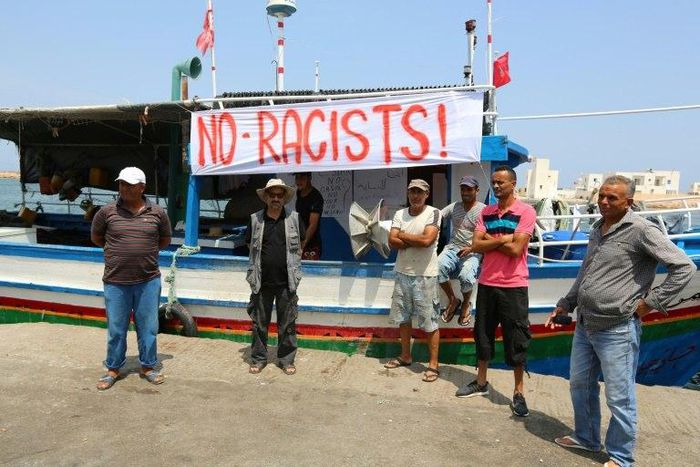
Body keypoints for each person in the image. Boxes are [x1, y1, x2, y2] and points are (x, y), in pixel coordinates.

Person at [546, 175, 695, 467]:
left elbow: (684, 267)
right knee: (580, 384)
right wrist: (566, 302)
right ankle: (587, 437)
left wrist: (649, 304)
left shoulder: (641, 230)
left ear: (629, 202)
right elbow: (586, 273)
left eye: (612, 198)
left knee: (620, 396)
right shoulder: (597, 229)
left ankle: (621, 457)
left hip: (617, 329)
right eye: (601, 195)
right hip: (585, 324)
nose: (603, 202)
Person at [455, 165, 536, 418]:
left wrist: (491, 242)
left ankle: (519, 392)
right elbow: (476, 244)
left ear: (513, 184)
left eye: (502, 182)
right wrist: (503, 239)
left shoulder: (526, 211)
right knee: (483, 333)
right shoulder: (486, 211)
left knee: (517, 338)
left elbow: (516, 251)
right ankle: (480, 382)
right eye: (494, 182)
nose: (497, 186)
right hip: (488, 283)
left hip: (514, 285)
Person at [91, 167, 172, 390]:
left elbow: (164, 239)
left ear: (142, 187)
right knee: (116, 328)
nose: (124, 188)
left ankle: (148, 366)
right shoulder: (106, 212)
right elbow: (97, 237)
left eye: (129, 184)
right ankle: (113, 368)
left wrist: (142, 251)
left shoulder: (157, 213)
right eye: (121, 184)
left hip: (148, 280)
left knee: (149, 327)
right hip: (116, 281)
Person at [384, 179, 442, 383]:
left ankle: (433, 365)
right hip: (402, 272)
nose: (415, 195)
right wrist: (413, 240)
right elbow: (391, 241)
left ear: (427, 194)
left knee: (429, 321)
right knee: (404, 318)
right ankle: (406, 356)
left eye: (419, 192)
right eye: (412, 192)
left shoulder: (434, 213)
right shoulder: (400, 214)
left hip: (425, 275)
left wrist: (403, 236)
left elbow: (428, 241)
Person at [245, 178, 305, 375]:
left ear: (284, 198)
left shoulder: (294, 218)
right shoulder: (255, 219)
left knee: (287, 325)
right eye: (273, 195)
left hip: (287, 282)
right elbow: (250, 247)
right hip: (261, 282)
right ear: (266, 197)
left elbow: (300, 246)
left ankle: (286, 360)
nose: (276, 199)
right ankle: (259, 358)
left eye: (280, 195)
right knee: (259, 324)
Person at [438, 175, 485, 326]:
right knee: (437, 268)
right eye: (463, 189)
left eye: (469, 189)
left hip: (473, 251)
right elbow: (437, 215)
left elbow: (489, 235)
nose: (465, 192)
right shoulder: (454, 206)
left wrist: (474, 248)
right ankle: (453, 299)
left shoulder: (483, 210)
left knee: (466, 276)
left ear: (477, 190)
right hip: (453, 248)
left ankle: (466, 303)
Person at [294, 172, 324, 260]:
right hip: (299, 240)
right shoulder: (299, 192)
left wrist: (302, 244)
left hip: (312, 245)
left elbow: (313, 225)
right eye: (297, 177)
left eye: (302, 177)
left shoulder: (316, 197)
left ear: (309, 178)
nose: (299, 181)